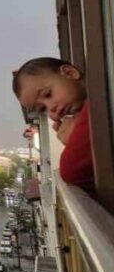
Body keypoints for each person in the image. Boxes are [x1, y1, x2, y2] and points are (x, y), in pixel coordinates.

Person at [12, 57, 93, 191]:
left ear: (69, 73)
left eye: (48, 94)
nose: (52, 108)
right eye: (43, 109)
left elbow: (72, 172)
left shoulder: (99, 103)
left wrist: (74, 140)